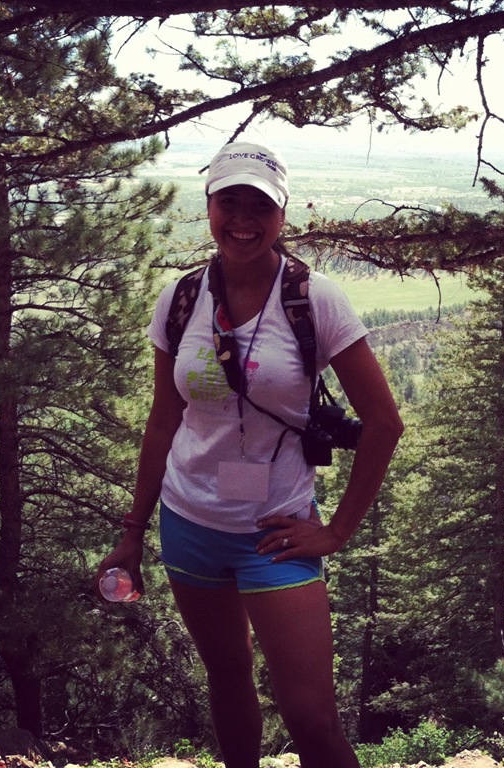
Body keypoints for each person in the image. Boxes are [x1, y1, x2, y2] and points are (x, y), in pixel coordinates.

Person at [95, 141, 403, 768]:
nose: (243, 219)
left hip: (275, 534)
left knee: (313, 719)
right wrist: (132, 531)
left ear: (282, 214)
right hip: (188, 524)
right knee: (228, 679)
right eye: (229, 201)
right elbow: (164, 419)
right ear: (209, 206)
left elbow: (384, 423)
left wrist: (337, 531)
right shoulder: (181, 298)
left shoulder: (314, 299)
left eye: (259, 205)